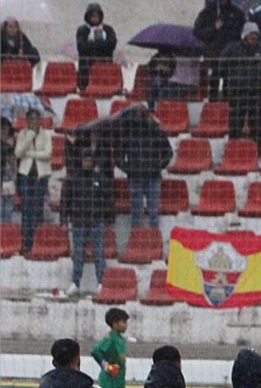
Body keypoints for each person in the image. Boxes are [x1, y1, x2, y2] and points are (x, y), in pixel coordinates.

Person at [62, 147, 113, 294]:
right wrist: (64, 219)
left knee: (98, 253)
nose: (87, 163)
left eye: (90, 160)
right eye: (85, 160)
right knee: (78, 254)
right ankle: (75, 283)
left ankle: (102, 283)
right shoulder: (73, 178)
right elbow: (66, 199)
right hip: (78, 221)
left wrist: (107, 217)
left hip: (96, 221)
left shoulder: (100, 178)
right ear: (81, 161)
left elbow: (108, 199)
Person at [118, 115, 172, 229]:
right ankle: (137, 241)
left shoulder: (156, 132)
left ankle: (154, 241)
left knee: (153, 213)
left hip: (152, 178)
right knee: (137, 213)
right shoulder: (128, 135)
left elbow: (168, 153)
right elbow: (118, 157)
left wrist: (158, 166)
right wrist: (129, 169)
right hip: (136, 178)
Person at [194, 0, 246, 101]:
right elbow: (198, 32)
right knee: (214, 81)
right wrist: (214, 28)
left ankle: (229, 104)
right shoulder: (207, 13)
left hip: (231, 55)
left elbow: (243, 32)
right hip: (214, 54)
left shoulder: (237, 13)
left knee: (230, 82)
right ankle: (213, 105)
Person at [222, 23, 261, 142]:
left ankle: (257, 152)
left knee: (257, 126)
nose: (254, 36)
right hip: (238, 92)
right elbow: (222, 64)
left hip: (256, 92)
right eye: (252, 34)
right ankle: (233, 150)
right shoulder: (232, 48)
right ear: (245, 35)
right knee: (235, 125)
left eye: (256, 34)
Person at [15, 109, 51, 255]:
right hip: (25, 175)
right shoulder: (23, 134)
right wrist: (29, 137)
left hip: (41, 175)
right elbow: (17, 153)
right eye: (31, 119)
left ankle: (38, 243)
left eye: (36, 119)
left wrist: (29, 154)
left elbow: (47, 154)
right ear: (27, 121)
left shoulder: (46, 134)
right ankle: (26, 243)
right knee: (26, 210)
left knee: (38, 209)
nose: (34, 122)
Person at [90, 307, 129, 388]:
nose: (126, 325)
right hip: (110, 383)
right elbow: (96, 351)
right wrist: (106, 366)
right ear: (114, 323)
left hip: (119, 382)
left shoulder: (121, 339)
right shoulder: (110, 338)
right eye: (123, 322)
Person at [75, 3, 117, 92]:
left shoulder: (108, 29)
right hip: (86, 70)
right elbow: (82, 48)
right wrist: (102, 45)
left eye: (97, 16)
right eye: (92, 16)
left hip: (105, 68)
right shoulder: (82, 30)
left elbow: (111, 44)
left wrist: (92, 44)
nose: (95, 18)